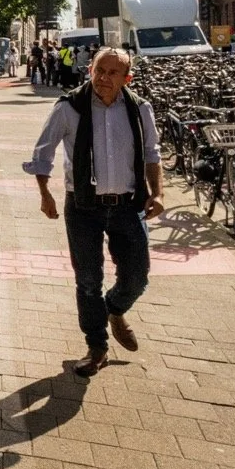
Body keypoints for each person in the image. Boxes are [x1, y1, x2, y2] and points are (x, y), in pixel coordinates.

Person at [22, 47, 164, 376]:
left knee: (137, 278)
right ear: (91, 70)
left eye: (113, 73)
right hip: (83, 207)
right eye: (100, 70)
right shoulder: (69, 107)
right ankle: (96, 346)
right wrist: (45, 194)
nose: (104, 77)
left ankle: (114, 309)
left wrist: (158, 193)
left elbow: (152, 155)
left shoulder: (140, 109)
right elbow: (43, 152)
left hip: (128, 205)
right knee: (88, 281)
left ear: (127, 78)